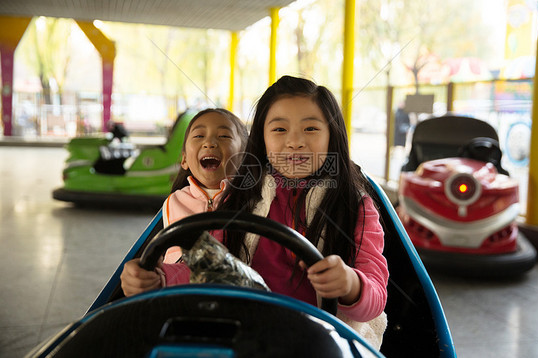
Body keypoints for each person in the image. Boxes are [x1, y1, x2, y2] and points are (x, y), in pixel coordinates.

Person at [122, 76, 389, 348]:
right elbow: (207, 268)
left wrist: (349, 284)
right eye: (279, 130)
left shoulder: (354, 206)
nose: (295, 142)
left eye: (310, 129)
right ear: (261, 139)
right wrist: (159, 279)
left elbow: (376, 298)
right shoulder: (241, 197)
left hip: (321, 341)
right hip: (246, 335)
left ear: (332, 136)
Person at [120, 108, 248, 289]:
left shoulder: (253, 201)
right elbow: (176, 262)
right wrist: (151, 278)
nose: (209, 143)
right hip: (181, 295)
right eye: (199, 136)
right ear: (184, 160)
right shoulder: (175, 202)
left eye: (224, 136)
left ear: (244, 159)